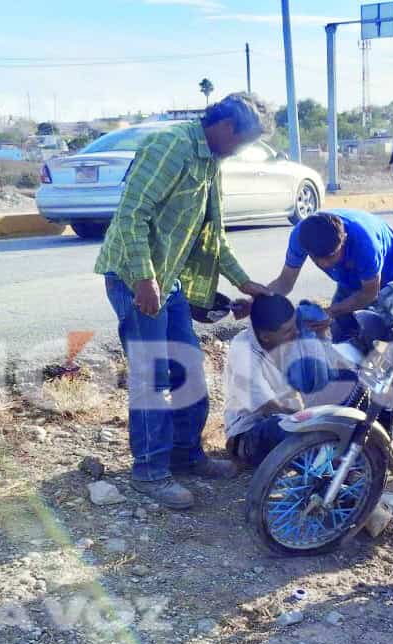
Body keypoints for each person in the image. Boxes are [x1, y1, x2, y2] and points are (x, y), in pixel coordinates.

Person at [94, 92, 273, 510]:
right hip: (135, 278)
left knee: (187, 367)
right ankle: (150, 472)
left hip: (168, 280)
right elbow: (132, 215)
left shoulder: (210, 161)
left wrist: (244, 282)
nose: (241, 151)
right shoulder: (171, 147)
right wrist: (143, 278)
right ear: (227, 128)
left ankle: (184, 455)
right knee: (152, 377)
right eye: (244, 141)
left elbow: (211, 235)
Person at [267, 209, 393, 343]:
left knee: (380, 335)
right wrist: (258, 302)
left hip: (388, 271)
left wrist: (330, 312)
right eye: (316, 258)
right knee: (342, 333)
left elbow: (370, 292)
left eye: (331, 256)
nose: (325, 264)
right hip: (349, 277)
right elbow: (284, 282)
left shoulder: (365, 244)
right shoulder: (301, 237)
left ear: (344, 240)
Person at [223, 294, 307, 468]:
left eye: (294, 326)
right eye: (288, 332)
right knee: (282, 425)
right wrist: (313, 419)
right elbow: (269, 406)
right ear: (266, 336)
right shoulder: (243, 354)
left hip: (292, 417)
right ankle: (326, 480)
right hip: (249, 435)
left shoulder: (285, 338)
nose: (296, 333)